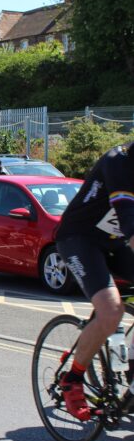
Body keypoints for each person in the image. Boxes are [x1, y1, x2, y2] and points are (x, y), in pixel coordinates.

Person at [55, 142, 134, 420]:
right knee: (112, 310)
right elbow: (129, 220)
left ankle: (130, 369)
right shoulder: (120, 163)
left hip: (114, 242)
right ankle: (72, 378)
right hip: (79, 239)